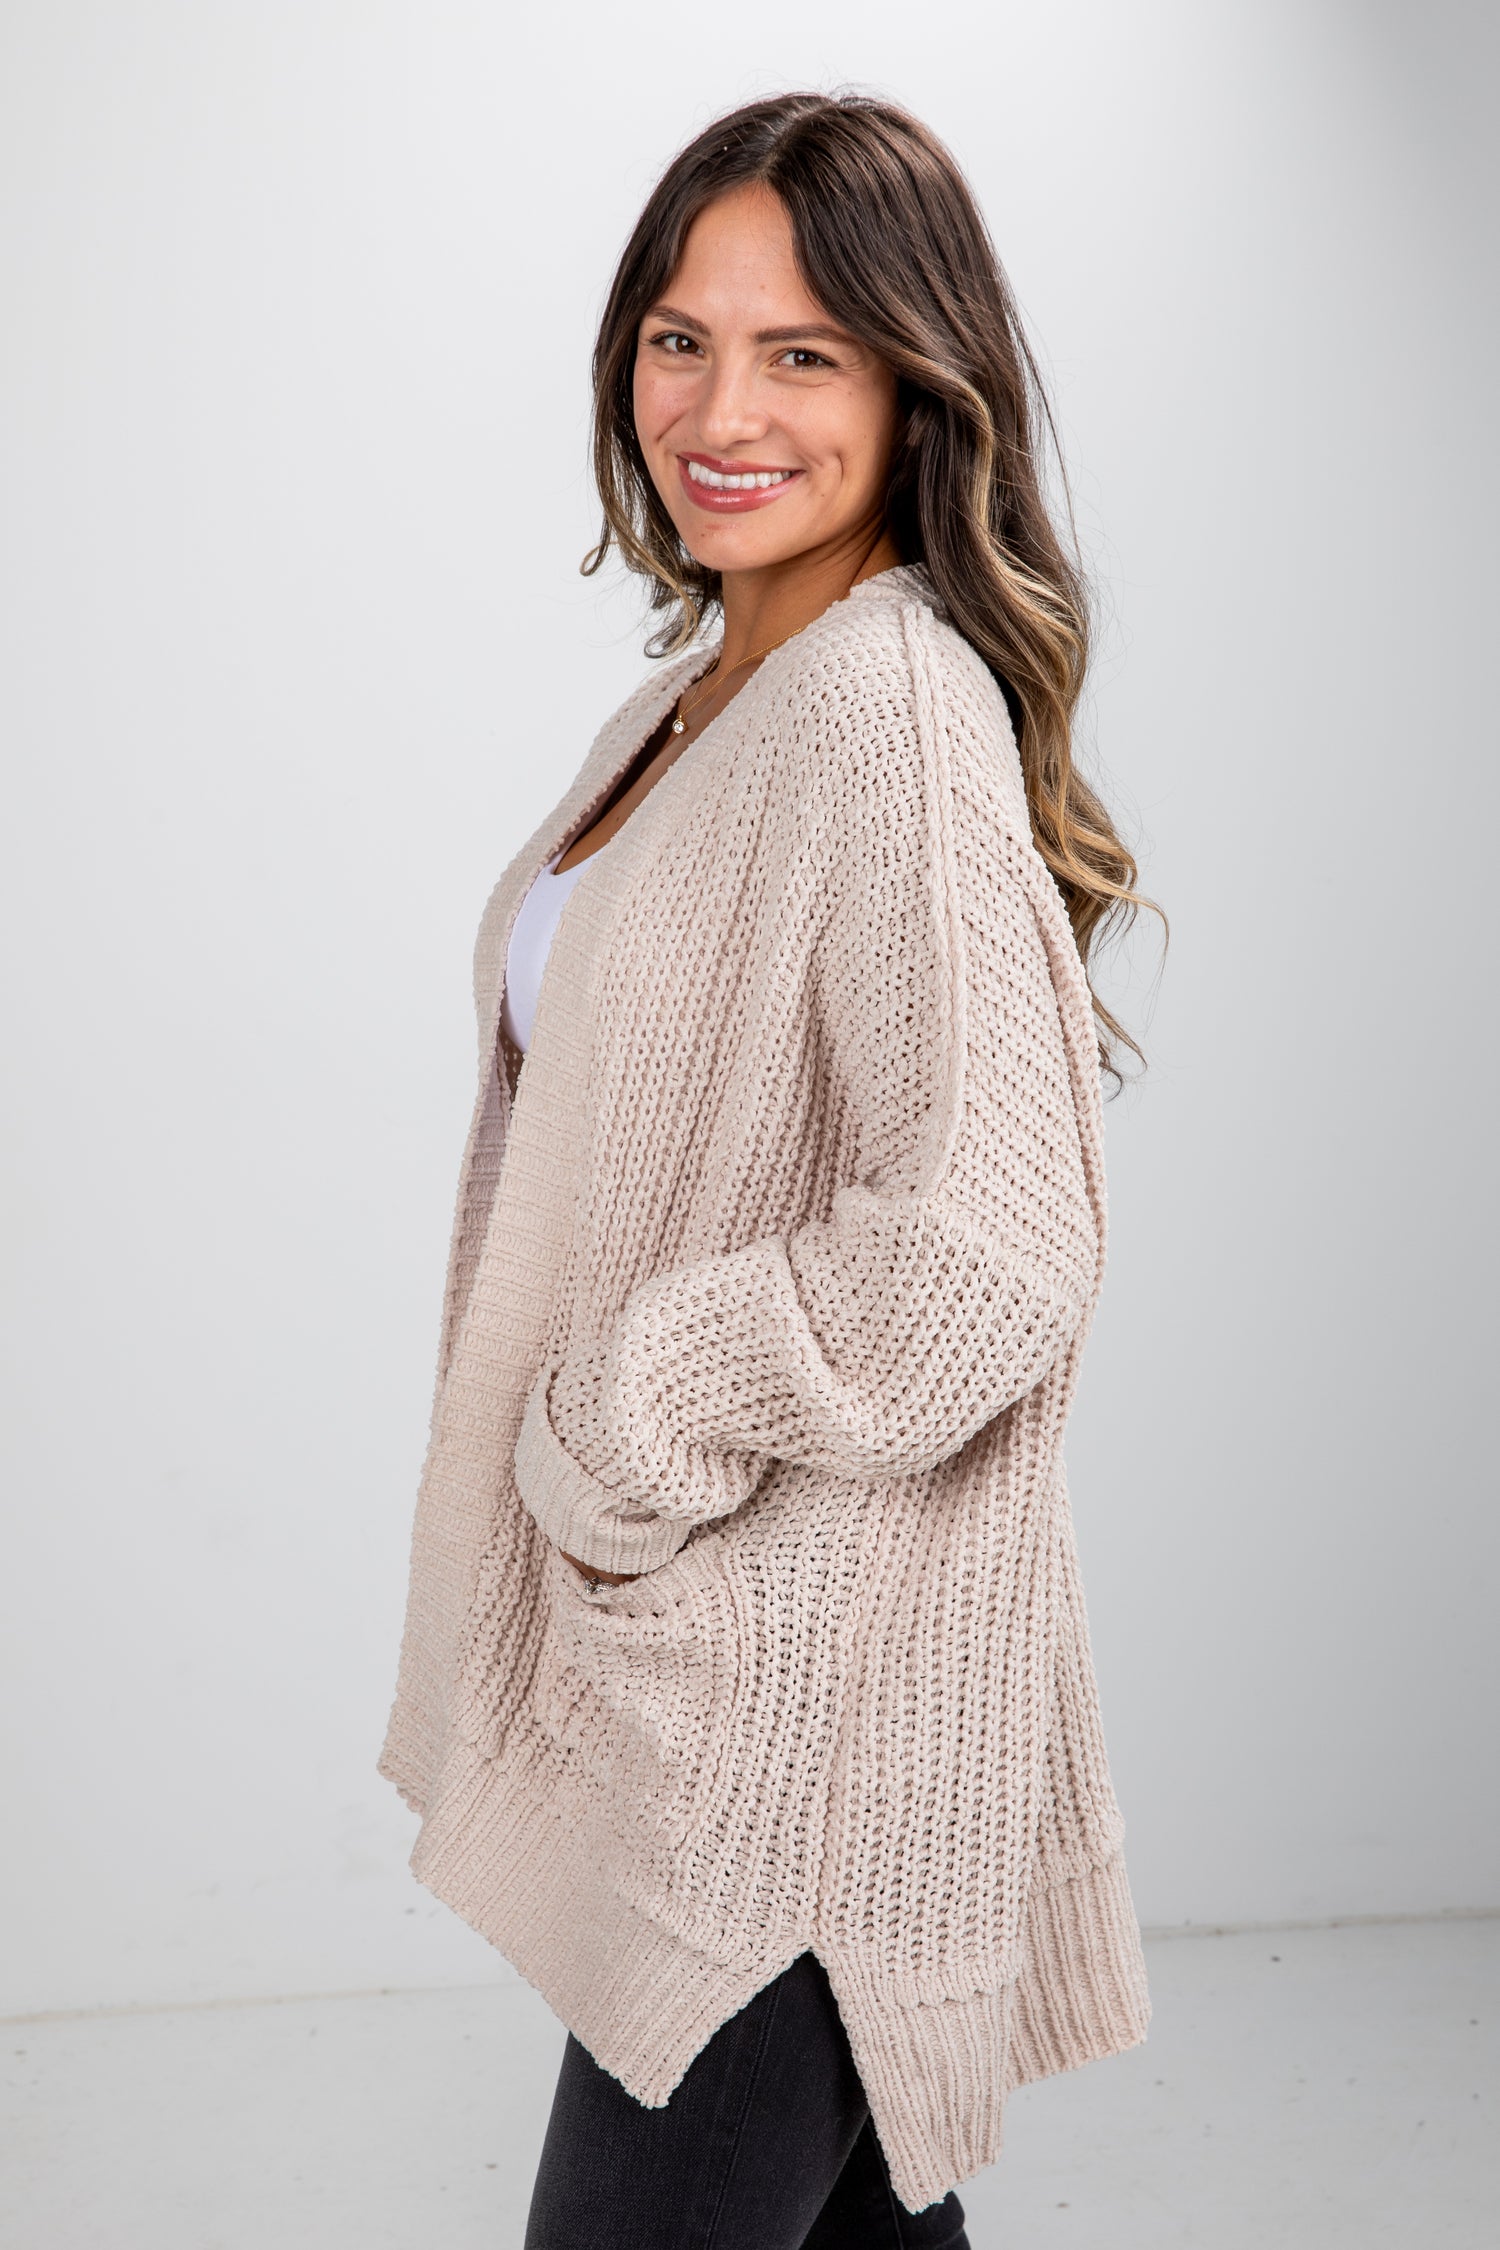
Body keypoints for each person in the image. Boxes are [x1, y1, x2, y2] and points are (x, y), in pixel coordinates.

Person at [378, 90, 1163, 2250]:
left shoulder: (878, 709)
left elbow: (997, 1244)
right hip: (722, 1672)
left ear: (923, 386)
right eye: (677, 336)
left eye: (803, 352)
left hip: (797, 1722)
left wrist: (631, 1409)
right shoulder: (704, 695)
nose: (720, 409)